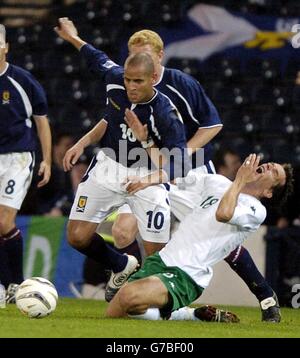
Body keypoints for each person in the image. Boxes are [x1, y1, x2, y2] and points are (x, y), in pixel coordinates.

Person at [55, 20, 286, 321]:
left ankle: (264, 294)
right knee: (122, 231)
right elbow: (109, 102)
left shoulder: (177, 90)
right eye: (132, 62)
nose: (135, 74)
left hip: (183, 172)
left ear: (158, 60)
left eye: (145, 62)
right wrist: (74, 38)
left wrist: (179, 158)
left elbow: (213, 124)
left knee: (215, 233)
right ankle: (127, 275)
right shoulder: (121, 80)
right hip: (131, 165)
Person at [62, 51, 191, 299]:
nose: (131, 86)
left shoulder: (166, 113)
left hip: (148, 175)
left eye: (138, 81)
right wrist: (72, 38)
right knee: (77, 236)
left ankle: (158, 304)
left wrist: (146, 145)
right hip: (109, 166)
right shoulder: (115, 80)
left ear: (153, 78)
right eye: (128, 80)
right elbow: (96, 58)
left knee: (156, 253)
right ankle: (121, 265)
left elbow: (178, 167)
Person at [106, 155, 294, 322]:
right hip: (162, 259)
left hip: (187, 274)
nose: (268, 166)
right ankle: (186, 315)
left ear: (269, 192)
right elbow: (176, 175)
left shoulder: (256, 210)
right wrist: (147, 144)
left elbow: (223, 214)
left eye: (274, 172)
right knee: (120, 311)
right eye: (269, 164)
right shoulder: (218, 182)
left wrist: (239, 181)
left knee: (127, 296)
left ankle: (180, 311)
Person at [0, 24, 52, 302]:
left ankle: (16, 283)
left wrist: (46, 159)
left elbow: (42, 122)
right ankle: (8, 286)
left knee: (3, 220)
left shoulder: (22, 81)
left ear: (6, 47)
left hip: (18, 158)